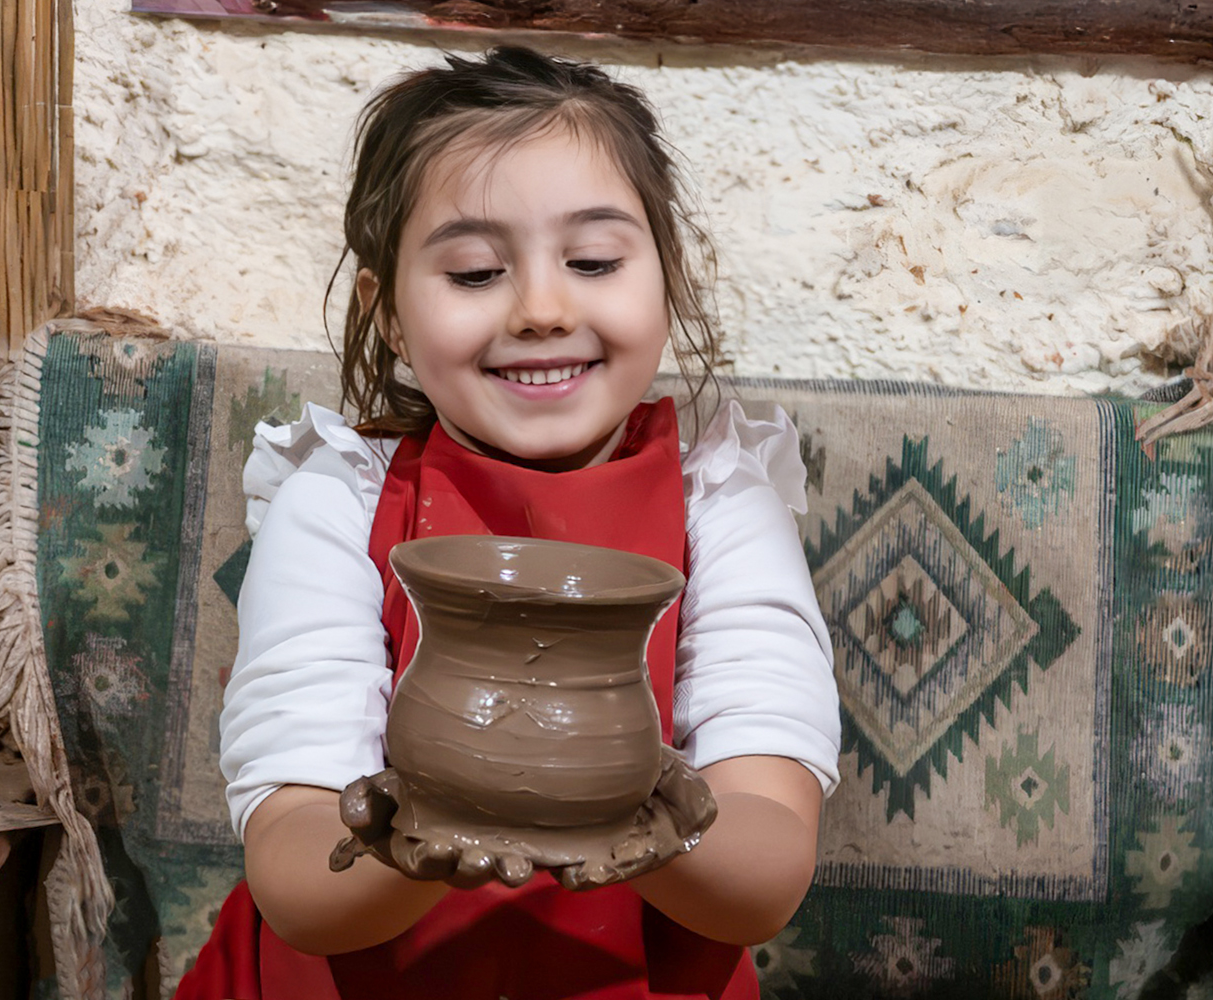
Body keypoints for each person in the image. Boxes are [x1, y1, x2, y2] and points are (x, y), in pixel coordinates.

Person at [175, 45, 840, 1000]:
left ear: (665, 276)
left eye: (595, 260)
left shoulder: (725, 507)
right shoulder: (338, 506)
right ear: (391, 315)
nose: (540, 308)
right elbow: (296, 875)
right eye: (477, 272)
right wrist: (455, 817)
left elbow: (765, 877)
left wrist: (598, 789)